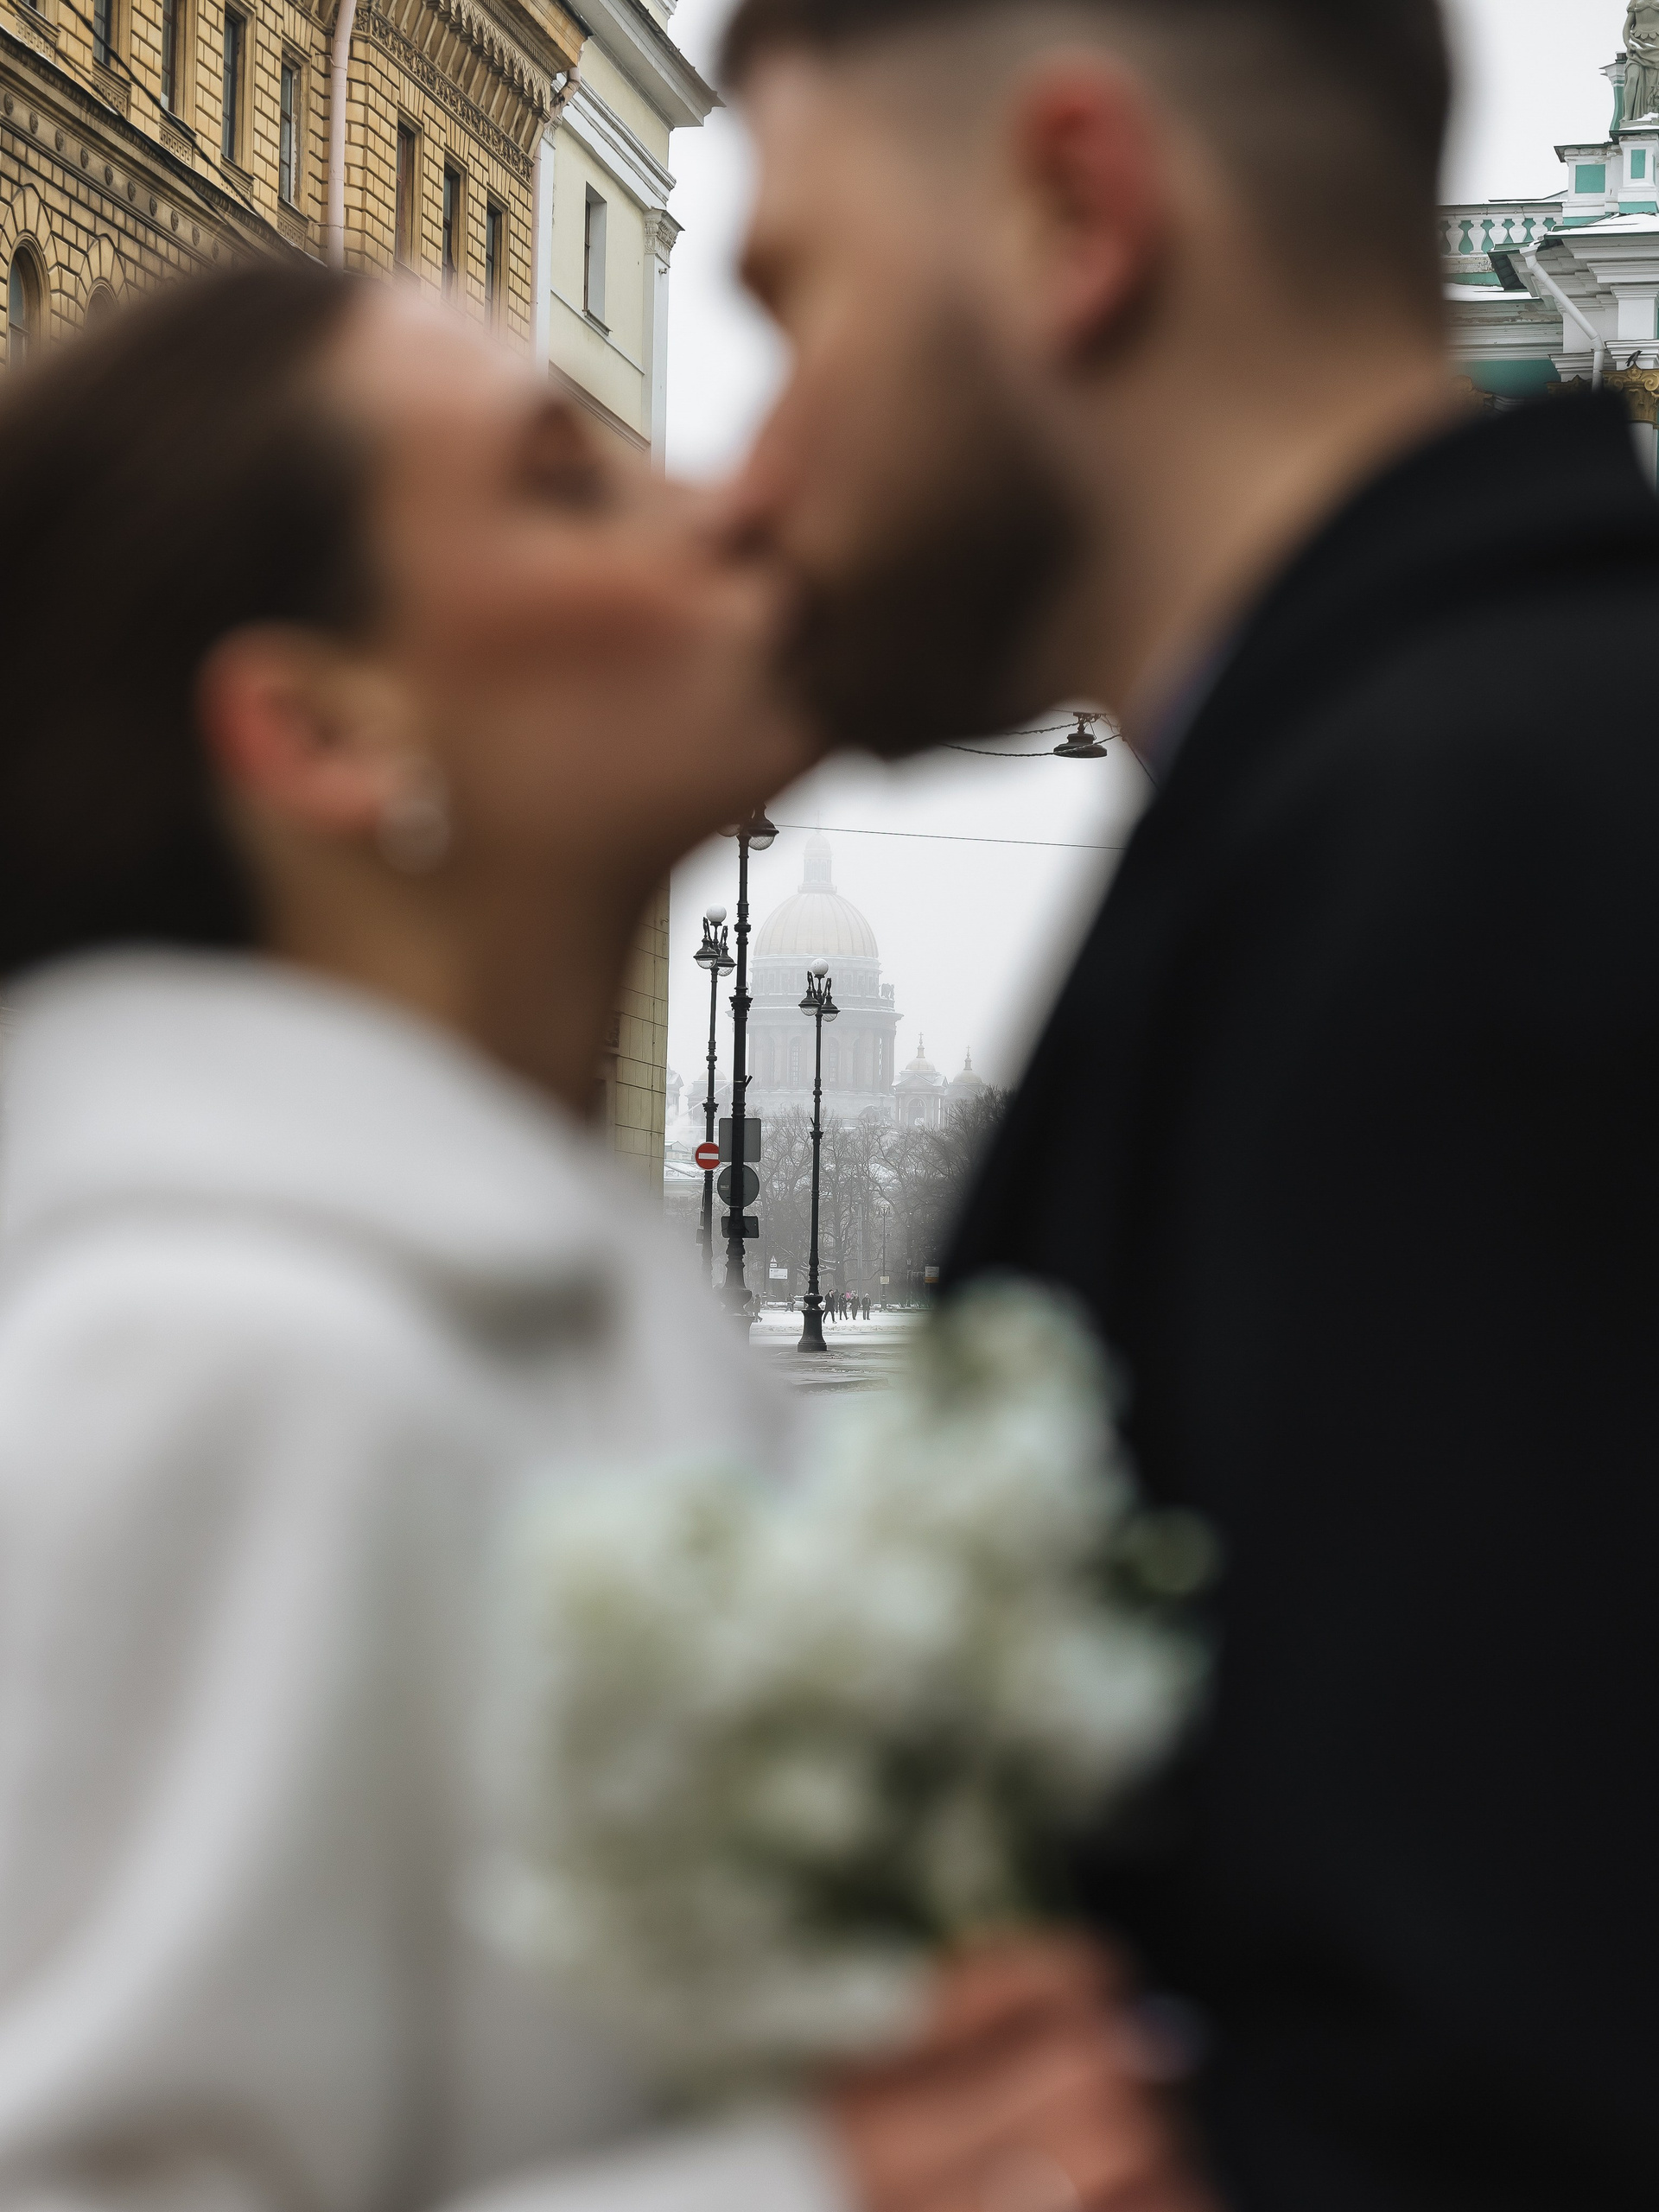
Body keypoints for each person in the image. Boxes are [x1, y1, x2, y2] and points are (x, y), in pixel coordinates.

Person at [0, 270, 1208, 2212]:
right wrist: (823, 2189)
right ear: (322, 730)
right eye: (566, 482)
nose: (731, 505)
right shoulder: (199, 1353)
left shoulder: (528, 1302)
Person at [717, 2, 1659, 2208]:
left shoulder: (1463, 856)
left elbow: (1497, 2065)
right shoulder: (1421, 780)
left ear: (1080, 209)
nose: (749, 476)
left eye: (794, 298)